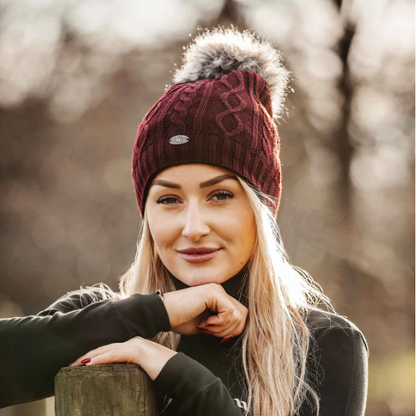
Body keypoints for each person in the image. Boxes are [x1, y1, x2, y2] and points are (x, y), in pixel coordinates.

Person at [0, 27, 369, 416]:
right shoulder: (102, 319)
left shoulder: (325, 344)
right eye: (169, 199)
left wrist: (177, 374)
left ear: (261, 211)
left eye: (221, 195)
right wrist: (155, 314)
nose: (193, 227)